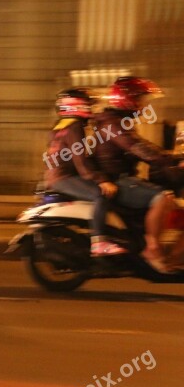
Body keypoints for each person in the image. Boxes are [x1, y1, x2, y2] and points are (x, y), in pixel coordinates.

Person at [93, 76, 179, 273]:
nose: (144, 104)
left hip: (124, 177)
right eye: (141, 99)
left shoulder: (119, 121)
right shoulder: (112, 124)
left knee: (170, 202)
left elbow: (142, 145)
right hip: (118, 180)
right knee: (162, 198)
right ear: (128, 99)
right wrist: (164, 159)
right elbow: (135, 147)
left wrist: (171, 157)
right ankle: (152, 249)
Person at [44, 88, 126, 256]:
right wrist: (100, 179)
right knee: (100, 195)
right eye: (87, 103)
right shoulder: (74, 126)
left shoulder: (59, 126)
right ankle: (99, 242)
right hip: (64, 178)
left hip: (55, 177)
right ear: (76, 105)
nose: (90, 108)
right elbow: (80, 160)